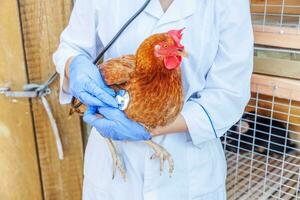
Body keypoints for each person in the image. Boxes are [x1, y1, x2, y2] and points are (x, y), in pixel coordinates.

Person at [53, 0, 253, 199]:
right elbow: (71, 48)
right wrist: (74, 65)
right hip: (111, 171)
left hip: (188, 168)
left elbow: (230, 93)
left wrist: (149, 126)